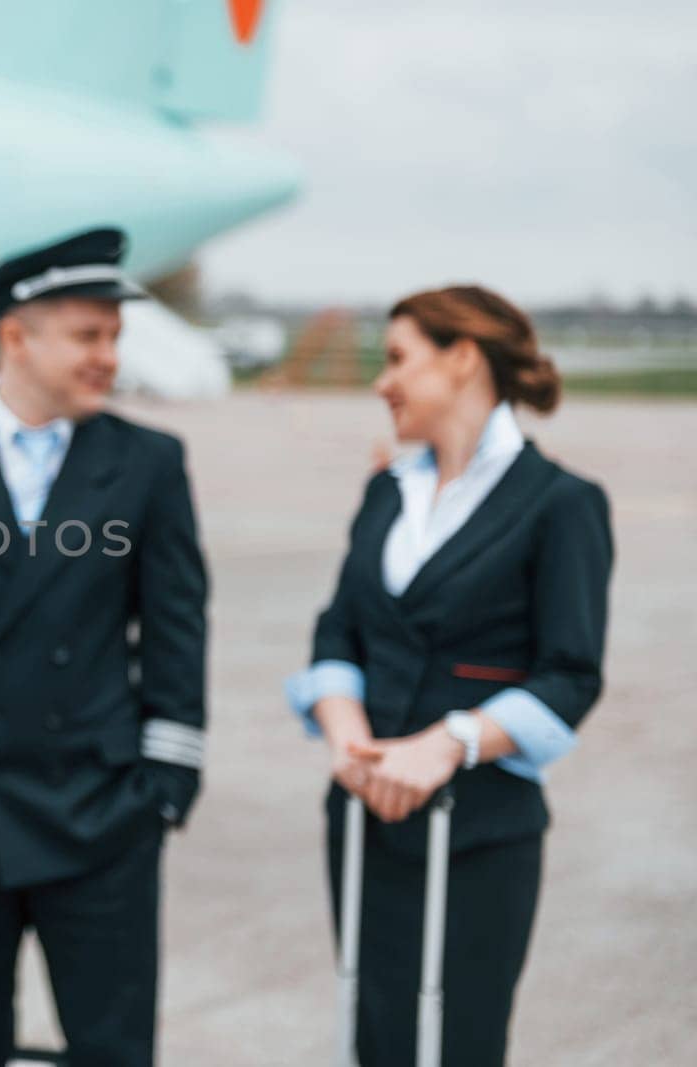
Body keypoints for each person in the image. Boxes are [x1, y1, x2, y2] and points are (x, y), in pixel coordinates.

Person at [0, 227, 209, 1067]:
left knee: (114, 1048)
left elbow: (176, 627)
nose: (110, 356)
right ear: (17, 335)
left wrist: (162, 788)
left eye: (115, 336)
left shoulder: (148, 461)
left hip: (100, 812)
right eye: (89, 336)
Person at [285, 285, 613, 1065]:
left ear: (463, 359)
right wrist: (347, 732)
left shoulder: (561, 504)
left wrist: (448, 742)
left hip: (479, 831)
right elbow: (339, 628)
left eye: (398, 358)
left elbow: (571, 673)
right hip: (364, 817)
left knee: (459, 1041)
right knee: (375, 1032)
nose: (381, 381)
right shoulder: (385, 491)